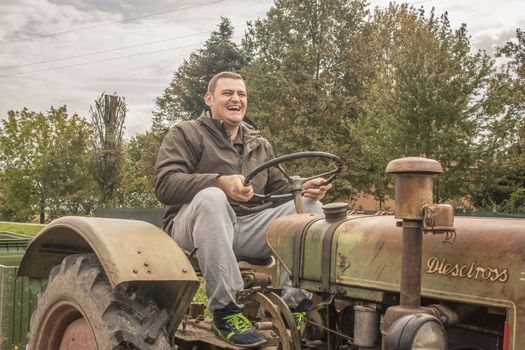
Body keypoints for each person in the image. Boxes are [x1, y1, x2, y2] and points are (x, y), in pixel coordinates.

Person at [155, 71, 331, 348]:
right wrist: (219, 182)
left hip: (245, 227)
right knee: (212, 197)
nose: (236, 98)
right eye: (228, 93)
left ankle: (293, 309)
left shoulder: (259, 144)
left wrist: (304, 187)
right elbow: (165, 185)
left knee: (309, 206)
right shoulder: (186, 133)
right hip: (191, 229)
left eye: (241, 94)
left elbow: (279, 192)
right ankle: (225, 311)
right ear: (209, 98)